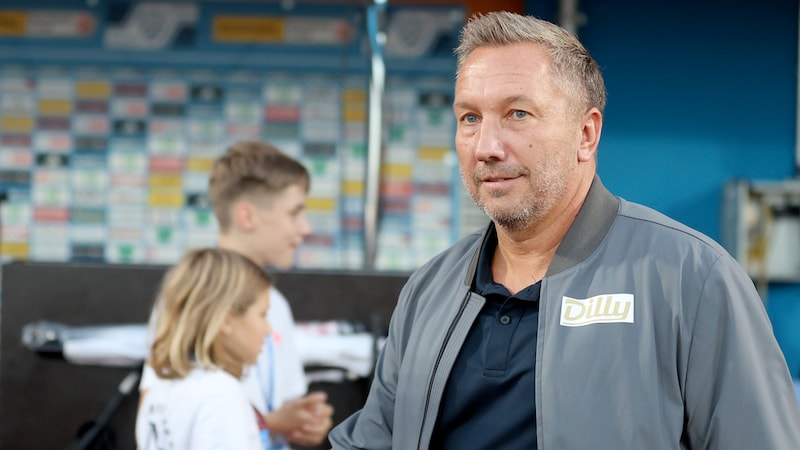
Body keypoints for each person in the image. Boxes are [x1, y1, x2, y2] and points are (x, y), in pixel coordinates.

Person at [328, 11, 800, 450]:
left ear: (586, 135)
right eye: (470, 118)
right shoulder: (429, 291)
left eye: (518, 114)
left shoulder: (691, 279)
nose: (486, 147)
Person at [140, 140, 333, 449]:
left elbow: (283, 407)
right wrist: (269, 424)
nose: (306, 228)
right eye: (294, 213)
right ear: (247, 216)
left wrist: (303, 422)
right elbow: (158, 409)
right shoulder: (192, 296)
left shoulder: (278, 306)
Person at [136, 247, 275, 449]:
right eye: (262, 314)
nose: (268, 329)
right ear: (226, 320)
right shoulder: (221, 394)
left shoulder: (160, 389)